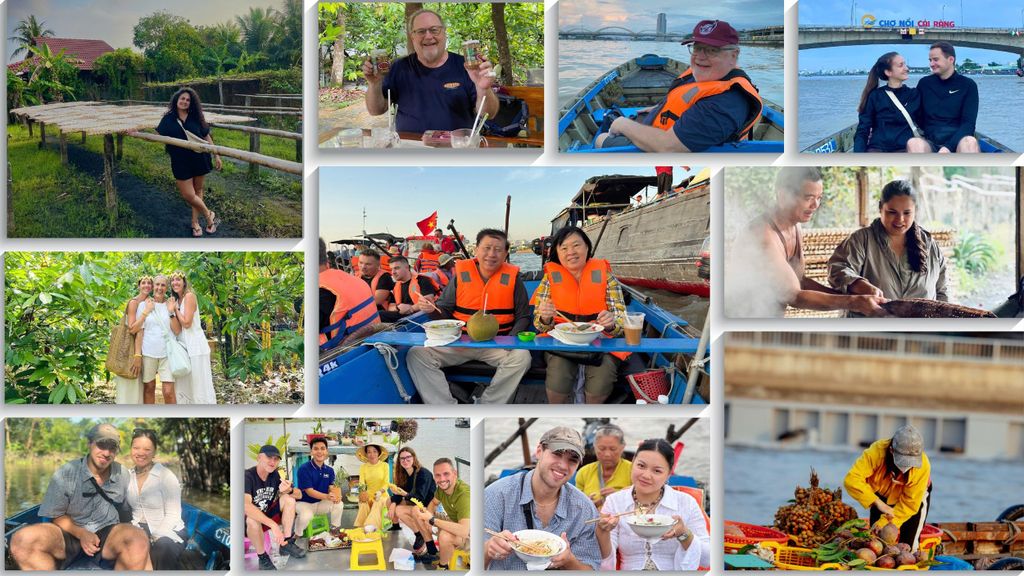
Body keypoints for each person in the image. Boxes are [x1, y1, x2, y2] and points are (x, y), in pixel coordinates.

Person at [726, 167, 888, 317]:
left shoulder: (794, 226)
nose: (815, 205)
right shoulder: (762, 234)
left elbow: (800, 280)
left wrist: (857, 297)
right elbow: (795, 296)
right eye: (808, 198)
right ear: (783, 196)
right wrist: (853, 302)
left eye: (819, 198)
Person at [407, 228, 533, 404]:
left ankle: (487, 405)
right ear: (476, 250)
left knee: (522, 357)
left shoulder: (514, 279)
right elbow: (444, 310)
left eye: (498, 250)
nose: (491, 254)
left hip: (497, 344)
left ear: (505, 254)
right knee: (416, 354)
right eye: (486, 248)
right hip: (460, 341)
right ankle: (445, 408)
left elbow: (523, 316)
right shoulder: (461, 276)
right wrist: (431, 310)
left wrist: (512, 341)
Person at [596, 20, 762, 152]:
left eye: (712, 50)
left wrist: (624, 124)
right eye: (697, 48)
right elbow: (688, 98)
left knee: (600, 138)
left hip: (662, 145)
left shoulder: (725, 103)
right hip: (664, 126)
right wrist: (658, 107)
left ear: (734, 55)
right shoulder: (713, 75)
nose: (700, 57)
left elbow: (669, 147)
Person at [9, 424, 152, 570]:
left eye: (112, 447)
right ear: (89, 444)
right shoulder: (66, 473)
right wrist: (82, 533)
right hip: (69, 532)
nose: (106, 453)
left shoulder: (122, 474)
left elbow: (131, 507)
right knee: (22, 540)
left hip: (107, 532)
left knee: (138, 538)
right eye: (101, 445)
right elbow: (55, 515)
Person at [484, 426, 602, 570]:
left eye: (572, 460)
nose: (563, 465)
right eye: (557, 454)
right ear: (539, 451)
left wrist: (569, 560)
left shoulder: (584, 509)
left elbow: (591, 568)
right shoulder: (496, 495)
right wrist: (489, 548)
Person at [363, 8, 499, 133]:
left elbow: (490, 114)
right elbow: (376, 111)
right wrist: (374, 84)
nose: (428, 36)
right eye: (421, 31)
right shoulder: (398, 67)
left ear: (444, 33)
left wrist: (484, 89)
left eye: (434, 30)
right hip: (411, 148)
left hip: (455, 147)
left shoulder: (467, 67)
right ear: (412, 37)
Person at [532, 226, 627, 404]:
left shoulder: (606, 277)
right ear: (557, 253)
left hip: (602, 339)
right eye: (564, 248)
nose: (571, 252)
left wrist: (612, 323)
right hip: (560, 338)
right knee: (558, 376)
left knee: (601, 380)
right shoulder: (549, 280)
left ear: (587, 247)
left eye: (576, 245)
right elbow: (539, 325)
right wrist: (545, 317)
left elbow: (621, 321)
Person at [827, 180, 948, 314]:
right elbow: (837, 269)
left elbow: (942, 293)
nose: (900, 219)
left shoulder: (930, 246)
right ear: (880, 208)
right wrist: (859, 285)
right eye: (892, 212)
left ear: (916, 211)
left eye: (907, 213)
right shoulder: (861, 240)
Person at [596, 439, 710, 570]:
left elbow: (708, 559)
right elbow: (603, 558)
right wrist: (602, 531)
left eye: (657, 471)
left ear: (669, 473)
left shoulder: (686, 503)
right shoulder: (615, 501)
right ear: (632, 463)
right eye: (641, 466)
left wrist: (683, 533)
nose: (646, 475)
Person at [844, 425, 932, 550]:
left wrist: (886, 522)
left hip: (912, 501)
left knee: (909, 546)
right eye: (903, 461)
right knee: (876, 542)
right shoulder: (876, 453)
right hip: (881, 495)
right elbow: (852, 480)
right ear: (891, 450)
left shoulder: (923, 466)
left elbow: (909, 505)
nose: (906, 467)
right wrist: (878, 503)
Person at [155, 87, 221, 236]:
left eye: (188, 100)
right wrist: (136, 132)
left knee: (198, 191)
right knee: (188, 194)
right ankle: (209, 214)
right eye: (182, 98)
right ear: (176, 100)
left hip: (200, 158)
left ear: (191, 103)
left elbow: (206, 136)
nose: (184, 101)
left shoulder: (196, 117)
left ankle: (195, 222)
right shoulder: (168, 119)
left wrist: (216, 155)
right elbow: (158, 135)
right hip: (180, 161)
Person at [126, 428, 186, 570]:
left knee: (163, 547)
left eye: (147, 449)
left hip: (169, 530)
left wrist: (155, 536)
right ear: (131, 449)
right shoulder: (127, 476)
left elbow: (173, 514)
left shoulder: (165, 475)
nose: (140, 453)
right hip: (138, 529)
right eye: (136, 448)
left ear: (154, 452)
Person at [245, 444, 306, 570]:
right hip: (247, 523)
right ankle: (262, 557)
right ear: (259, 458)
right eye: (269, 457)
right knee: (252, 520)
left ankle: (286, 543)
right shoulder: (247, 476)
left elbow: (299, 495)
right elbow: (245, 506)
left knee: (289, 500)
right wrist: (273, 525)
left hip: (266, 513)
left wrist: (288, 490)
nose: (272, 462)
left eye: (276, 459)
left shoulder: (275, 475)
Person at [854, 52, 930, 153]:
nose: (906, 68)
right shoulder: (875, 96)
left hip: (906, 149)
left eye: (905, 64)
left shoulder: (914, 94)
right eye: (901, 65)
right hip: (878, 150)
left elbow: (926, 121)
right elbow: (863, 130)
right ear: (888, 72)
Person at [916, 42, 980, 153]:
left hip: (958, 141)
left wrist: (948, 148)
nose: (931, 64)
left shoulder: (968, 85)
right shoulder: (924, 84)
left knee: (970, 142)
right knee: (914, 143)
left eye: (935, 60)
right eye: (930, 60)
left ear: (951, 59)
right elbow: (917, 116)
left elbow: (968, 124)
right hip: (931, 141)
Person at [319, 238, 380, 352]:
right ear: (327, 261)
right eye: (361, 263)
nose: (363, 267)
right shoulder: (354, 279)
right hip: (372, 340)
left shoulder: (321, 293)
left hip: (342, 351)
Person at [411, 458, 471, 568]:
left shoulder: (464, 494)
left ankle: (443, 566)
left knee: (445, 536)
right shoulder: (442, 488)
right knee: (416, 510)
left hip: (470, 535)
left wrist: (432, 520)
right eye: (438, 475)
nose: (442, 479)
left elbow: (463, 530)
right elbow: (434, 503)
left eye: (446, 474)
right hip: (453, 520)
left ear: (455, 473)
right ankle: (432, 550)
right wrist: (428, 517)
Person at [169, 271, 216, 403]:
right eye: (172, 280)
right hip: (183, 346)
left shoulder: (190, 296)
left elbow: (187, 323)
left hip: (195, 346)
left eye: (178, 279)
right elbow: (178, 329)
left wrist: (175, 309)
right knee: (185, 384)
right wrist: (171, 312)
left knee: (198, 384)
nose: (175, 283)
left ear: (184, 282)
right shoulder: (177, 300)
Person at [135, 274, 181, 404]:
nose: (159, 288)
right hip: (148, 351)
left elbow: (177, 330)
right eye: (157, 284)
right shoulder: (144, 305)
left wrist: (171, 312)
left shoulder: (170, 304)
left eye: (163, 285)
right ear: (153, 286)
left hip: (167, 353)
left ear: (167, 288)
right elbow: (140, 332)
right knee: (149, 388)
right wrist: (137, 354)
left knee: (168, 392)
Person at [388, 448, 437, 560]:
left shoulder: (423, 473)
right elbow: (399, 493)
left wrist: (404, 494)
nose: (405, 460)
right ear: (399, 461)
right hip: (416, 503)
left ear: (414, 458)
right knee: (394, 506)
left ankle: (431, 550)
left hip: (428, 505)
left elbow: (421, 498)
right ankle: (418, 534)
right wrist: (393, 504)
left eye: (408, 457)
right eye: (402, 458)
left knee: (408, 510)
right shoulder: (403, 474)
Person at [294, 437, 343, 537]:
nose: (319, 452)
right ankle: (295, 536)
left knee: (339, 504)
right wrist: (327, 496)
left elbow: (331, 488)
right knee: (306, 516)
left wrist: (336, 495)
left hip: (321, 504)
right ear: (311, 452)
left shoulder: (329, 470)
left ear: (327, 451)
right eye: (316, 449)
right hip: (304, 503)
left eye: (322, 448)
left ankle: (334, 530)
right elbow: (309, 491)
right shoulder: (304, 469)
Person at [575, 424, 632, 509]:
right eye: (601, 448)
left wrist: (617, 498)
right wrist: (589, 504)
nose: (607, 454)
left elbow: (643, 502)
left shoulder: (633, 470)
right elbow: (575, 507)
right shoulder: (584, 472)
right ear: (594, 447)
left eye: (613, 449)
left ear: (622, 448)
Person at [116, 275, 152, 404]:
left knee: (138, 383)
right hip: (129, 347)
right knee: (129, 379)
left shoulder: (150, 302)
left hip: (143, 346)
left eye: (149, 283)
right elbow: (132, 329)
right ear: (139, 286)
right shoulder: (134, 303)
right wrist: (145, 312)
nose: (146, 285)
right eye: (143, 283)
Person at [385, 256, 439, 321]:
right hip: (402, 316)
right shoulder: (395, 286)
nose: (393, 272)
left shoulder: (422, 280)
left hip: (420, 316)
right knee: (380, 314)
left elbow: (428, 302)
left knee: (381, 315)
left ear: (407, 267)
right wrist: (398, 308)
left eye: (397, 268)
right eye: (391, 269)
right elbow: (390, 307)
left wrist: (411, 308)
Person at [354, 443, 392, 531]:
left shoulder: (384, 466)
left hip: (382, 495)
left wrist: (380, 492)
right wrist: (362, 493)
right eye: (369, 452)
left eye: (374, 451)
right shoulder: (363, 467)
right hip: (369, 495)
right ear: (366, 454)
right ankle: (360, 527)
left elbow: (386, 483)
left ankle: (370, 528)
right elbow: (361, 483)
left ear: (379, 453)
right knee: (363, 504)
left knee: (377, 503)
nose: (372, 454)